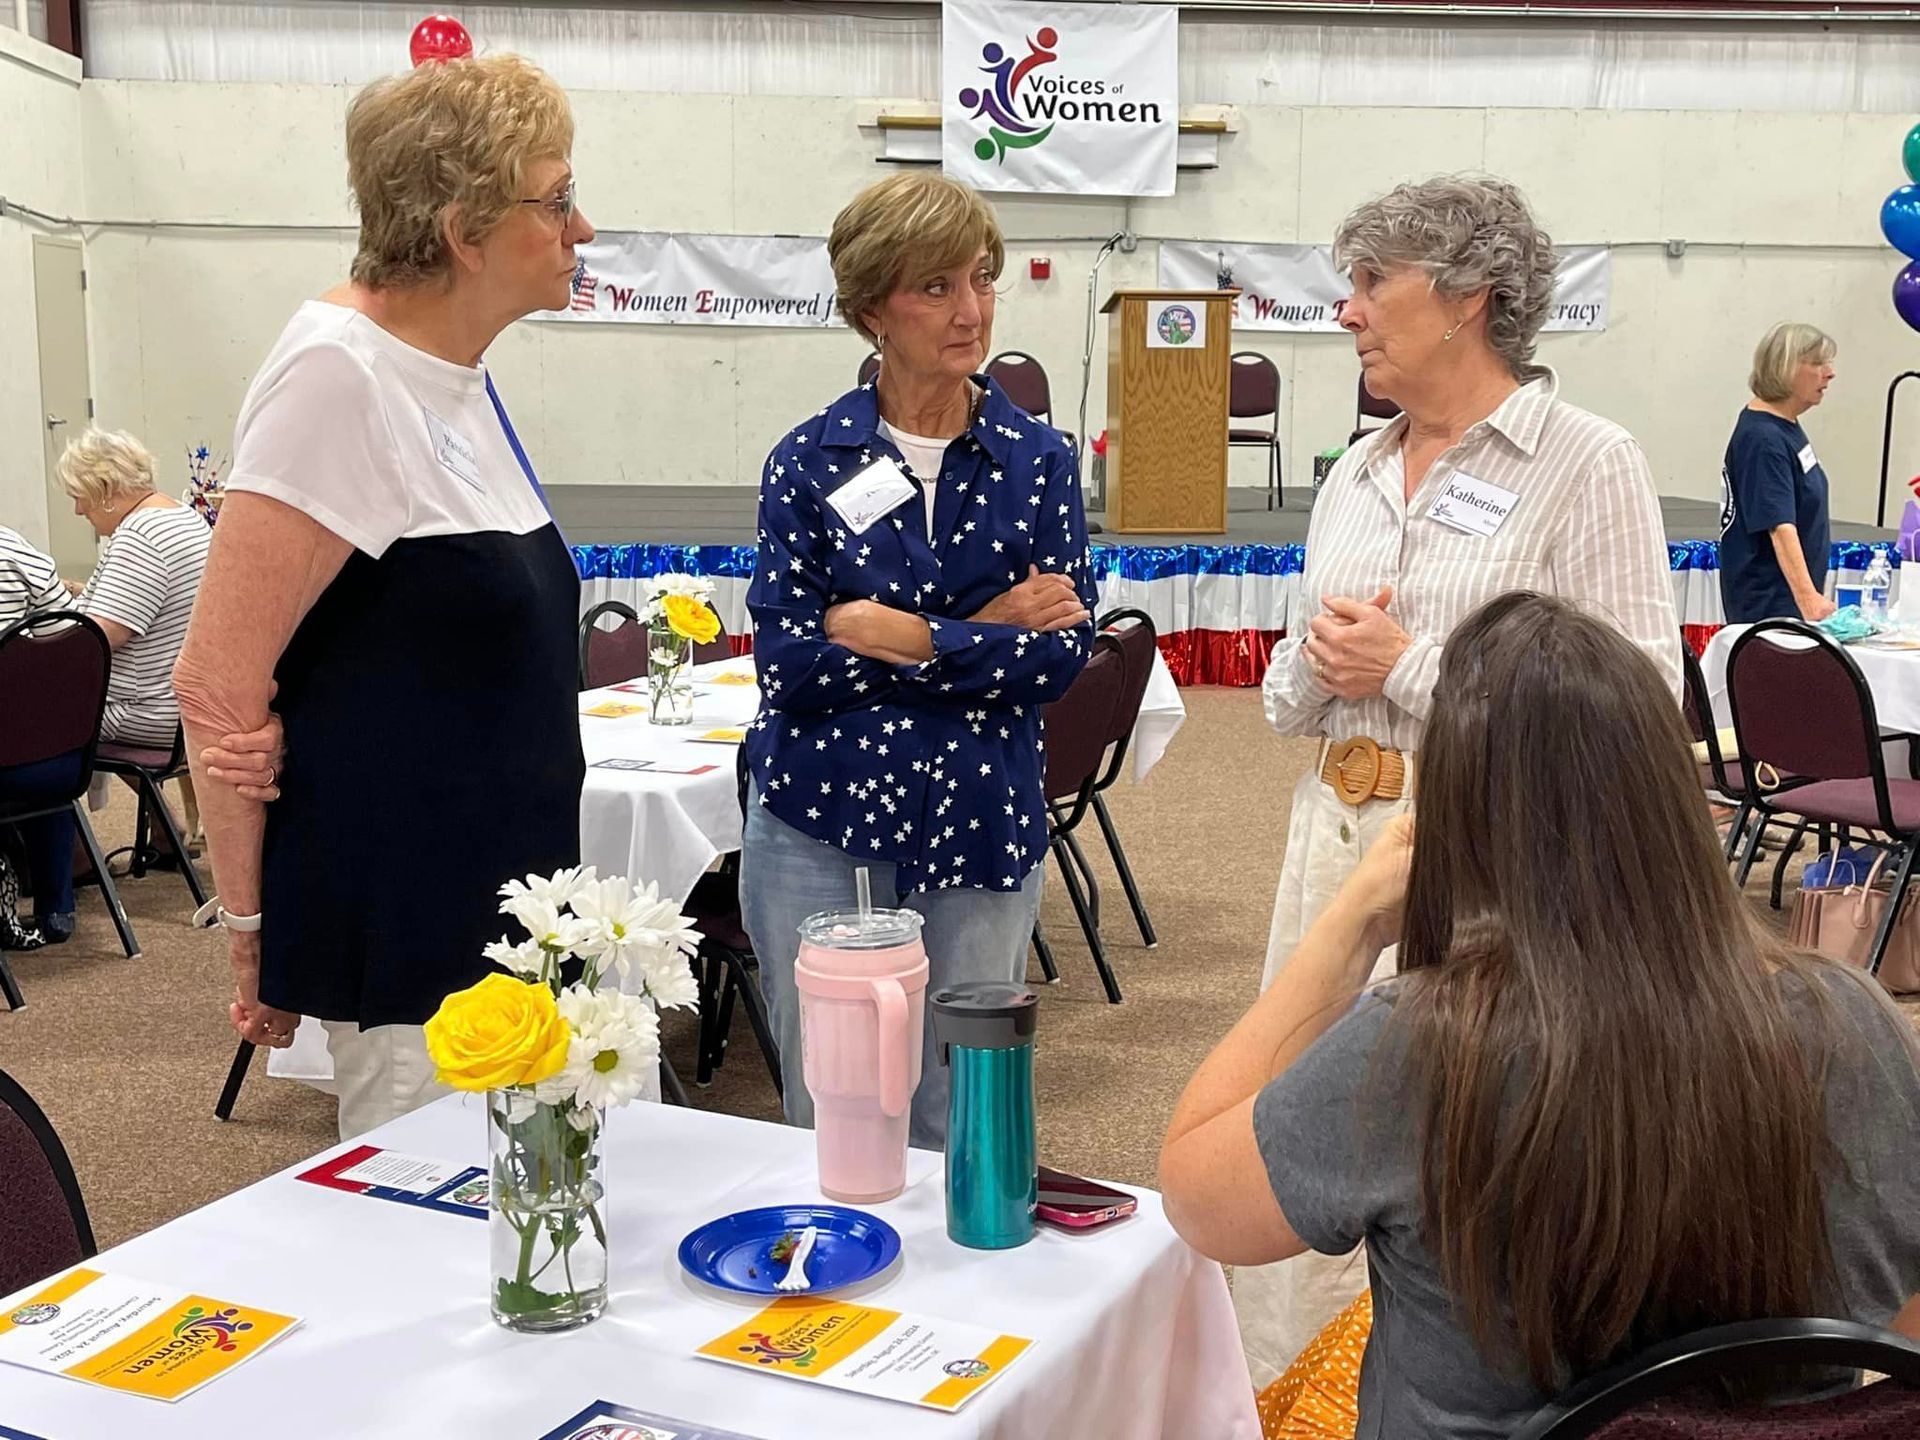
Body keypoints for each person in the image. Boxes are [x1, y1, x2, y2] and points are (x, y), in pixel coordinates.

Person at [1163, 592, 1920, 1440]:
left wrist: (1348, 927)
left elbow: (1196, 1198)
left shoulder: (1422, 1043)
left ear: (1455, 814)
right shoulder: (1857, 1020)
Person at [1244, 174, 1682, 1384]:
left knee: (1461, 1164)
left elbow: (1642, 703)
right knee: (1303, 1133)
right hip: (1331, 841)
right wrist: (1321, 664)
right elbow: (1287, 696)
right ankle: (1287, 1400)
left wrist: (1414, 662)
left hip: (1495, 864)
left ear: (1468, 300)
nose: (1348, 313)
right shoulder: (1356, 469)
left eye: (1373, 283)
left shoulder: (1589, 462)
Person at [173, 53, 594, 1140]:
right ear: (464, 230)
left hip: (507, 921)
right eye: (555, 201)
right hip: (418, 947)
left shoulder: (452, 376)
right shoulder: (339, 373)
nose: (581, 227)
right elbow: (217, 682)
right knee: (443, 1256)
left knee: (532, 1243)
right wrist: (256, 931)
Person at [740, 172, 1095, 1148]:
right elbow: (791, 667)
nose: (972, 310)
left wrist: (910, 633)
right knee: (836, 1107)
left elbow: (1061, 659)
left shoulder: (1039, 460)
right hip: (821, 817)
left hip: (981, 818)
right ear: (870, 311)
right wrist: (989, 627)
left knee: (965, 1112)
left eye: (981, 279)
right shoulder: (811, 462)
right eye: (935, 287)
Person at [60, 429, 211, 748]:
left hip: (144, 710)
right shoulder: (182, 517)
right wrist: (75, 590)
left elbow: (93, 643)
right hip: (184, 704)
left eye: (78, 496)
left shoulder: (140, 537)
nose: (78, 511)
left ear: (102, 489)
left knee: (23, 716)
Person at [1719, 322, 1837, 623]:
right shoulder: (1763, 439)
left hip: (1783, 604)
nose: (1830, 373)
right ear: (1787, 369)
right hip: (1770, 608)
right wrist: (1808, 598)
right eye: (1818, 363)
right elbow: (1779, 526)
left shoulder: (1784, 427)